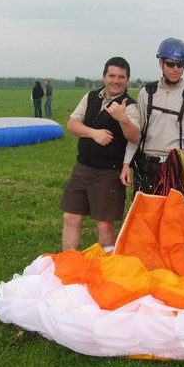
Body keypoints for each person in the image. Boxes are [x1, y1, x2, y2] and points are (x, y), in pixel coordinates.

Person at [60, 56, 140, 251]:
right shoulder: (90, 97)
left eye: (121, 77)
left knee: (104, 224)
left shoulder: (130, 106)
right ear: (104, 77)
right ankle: (68, 264)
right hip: (82, 167)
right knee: (71, 217)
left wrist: (122, 119)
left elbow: (135, 137)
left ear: (127, 80)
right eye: (112, 75)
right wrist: (93, 133)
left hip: (108, 172)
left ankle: (106, 271)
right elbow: (72, 124)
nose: (116, 80)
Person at [120, 38, 184, 195]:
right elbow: (136, 133)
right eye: (170, 64)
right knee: (145, 218)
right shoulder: (147, 93)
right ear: (161, 64)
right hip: (146, 167)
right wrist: (126, 163)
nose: (176, 69)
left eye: (180, 64)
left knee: (172, 219)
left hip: (175, 169)